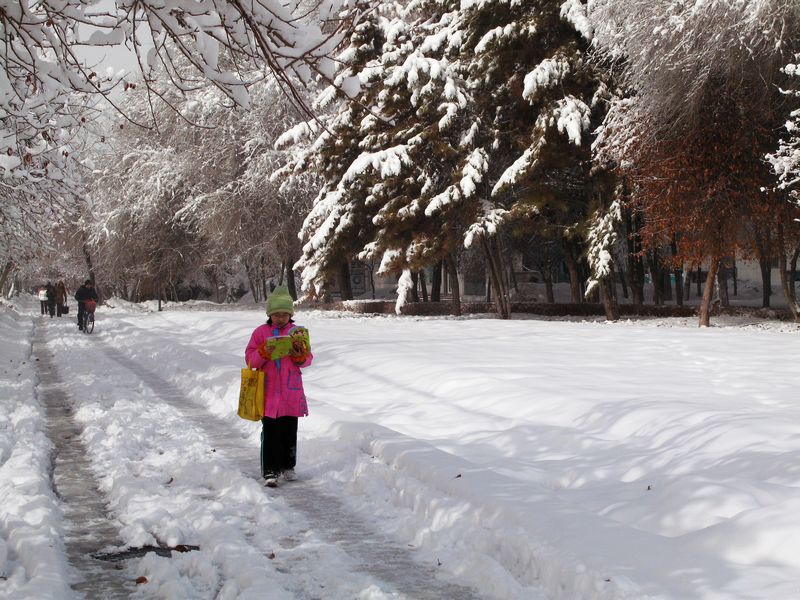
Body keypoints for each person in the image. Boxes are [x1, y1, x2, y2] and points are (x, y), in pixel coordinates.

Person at [244, 285, 313, 488]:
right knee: (271, 432)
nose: (281, 318)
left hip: (291, 393)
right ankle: (270, 470)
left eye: (284, 314)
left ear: (290, 314)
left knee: (289, 431)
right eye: (276, 314)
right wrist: (263, 353)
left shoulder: (297, 333)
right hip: (268, 393)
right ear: (269, 314)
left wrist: (300, 355)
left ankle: (288, 465)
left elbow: (307, 359)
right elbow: (250, 360)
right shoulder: (260, 333)